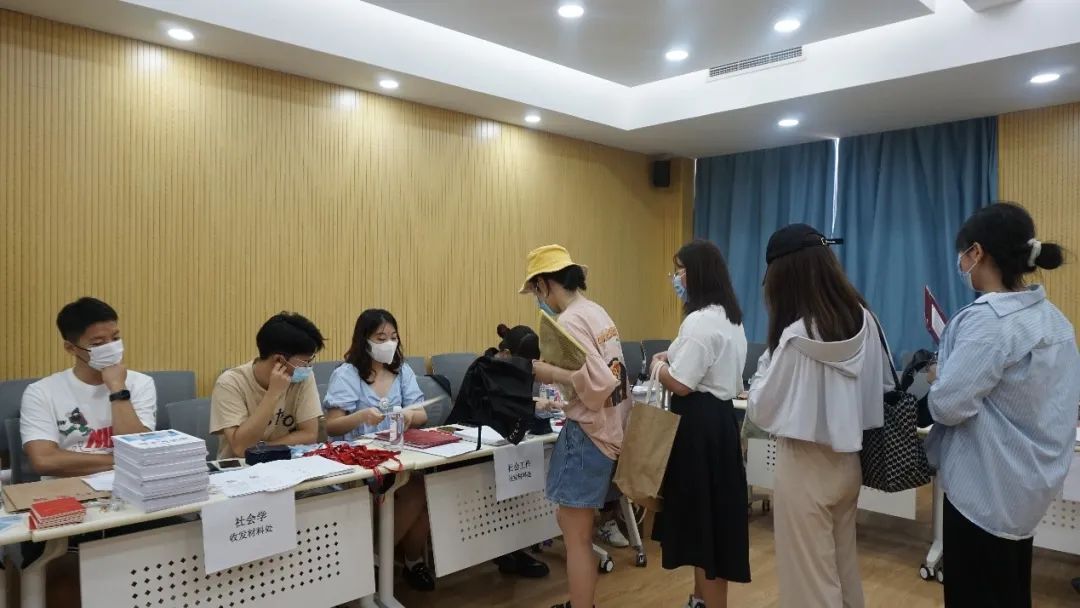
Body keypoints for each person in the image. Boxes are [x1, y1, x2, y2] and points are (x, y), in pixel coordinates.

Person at [924, 202, 1080, 608]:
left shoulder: (989, 320)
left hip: (983, 492)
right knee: (1009, 590)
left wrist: (939, 377)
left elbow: (947, 407)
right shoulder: (1056, 321)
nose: (962, 263)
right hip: (1028, 490)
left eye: (963, 254)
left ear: (977, 252)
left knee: (977, 594)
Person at [747, 224, 891, 608]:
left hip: (803, 466)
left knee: (809, 586)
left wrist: (764, 365)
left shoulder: (796, 337)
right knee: (844, 573)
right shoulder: (865, 320)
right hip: (849, 464)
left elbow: (761, 408)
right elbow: (880, 386)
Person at [523, 245, 631, 608]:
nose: (538, 298)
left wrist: (549, 371)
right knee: (573, 525)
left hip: (587, 435)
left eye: (536, 290)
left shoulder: (569, 321)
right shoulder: (596, 312)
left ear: (544, 284)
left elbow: (600, 383)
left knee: (577, 538)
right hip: (609, 430)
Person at [651, 240, 750, 608]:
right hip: (721, 424)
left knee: (704, 526)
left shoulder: (698, 321)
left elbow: (681, 383)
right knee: (708, 525)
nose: (677, 278)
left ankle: (708, 602)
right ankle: (699, 600)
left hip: (697, 429)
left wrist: (658, 367)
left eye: (681, 271)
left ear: (697, 274)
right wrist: (673, 355)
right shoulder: (730, 318)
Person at [322, 309, 435, 592]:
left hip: (398, 455)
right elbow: (332, 426)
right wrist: (361, 416)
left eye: (393, 337)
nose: (389, 343)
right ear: (365, 340)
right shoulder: (346, 374)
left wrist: (409, 416)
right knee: (415, 491)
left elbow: (422, 413)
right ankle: (376, 561)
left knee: (424, 492)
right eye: (381, 338)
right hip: (358, 462)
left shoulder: (402, 370)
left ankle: (400, 562)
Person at [21, 297, 156, 478]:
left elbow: (137, 447)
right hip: (66, 486)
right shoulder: (41, 392)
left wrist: (117, 388)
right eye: (98, 343)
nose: (111, 347)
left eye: (115, 338)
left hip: (127, 482)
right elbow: (45, 460)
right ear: (71, 348)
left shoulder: (141, 383)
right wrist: (123, 460)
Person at [486, 323, 553, 579]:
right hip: (485, 450)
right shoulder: (487, 370)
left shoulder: (524, 370)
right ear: (505, 355)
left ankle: (517, 546)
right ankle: (508, 549)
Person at [210, 312, 323, 460]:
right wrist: (273, 394)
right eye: (305, 362)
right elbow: (241, 449)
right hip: (241, 469)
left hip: (287, 465)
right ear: (279, 360)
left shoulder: (302, 376)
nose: (308, 367)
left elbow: (309, 434)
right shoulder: (230, 383)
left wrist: (262, 450)